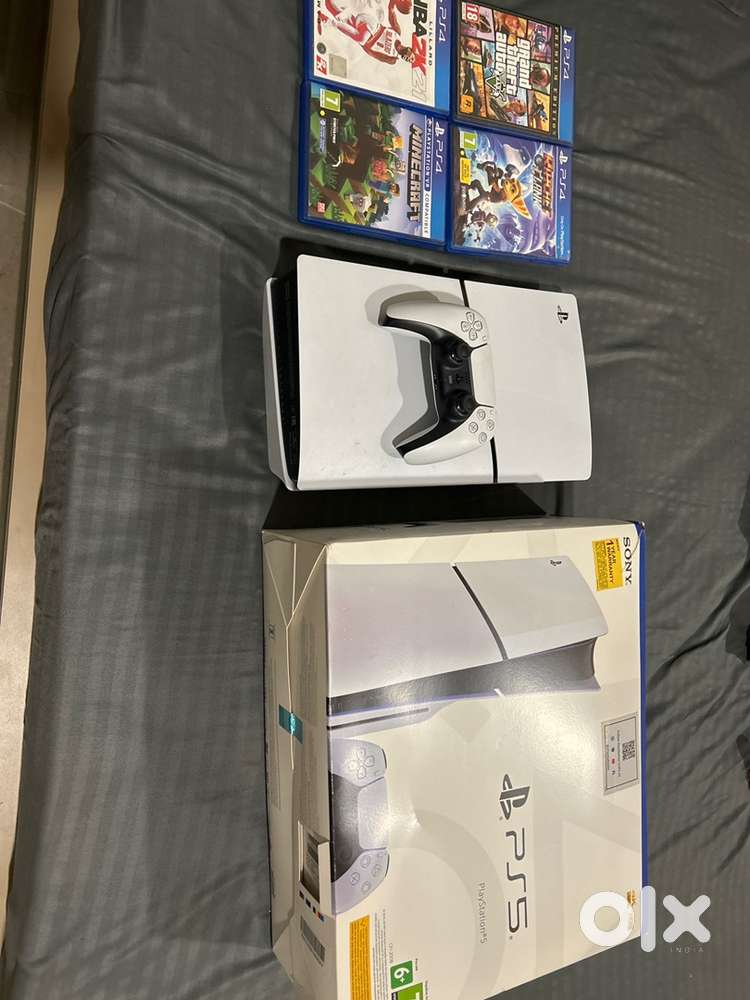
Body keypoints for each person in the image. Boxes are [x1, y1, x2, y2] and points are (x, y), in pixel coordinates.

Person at [324, 0, 416, 65]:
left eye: (409, 61)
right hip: (372, 25)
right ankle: (333, 23)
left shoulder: (392, 59)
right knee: (361, 39)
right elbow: (391, 10)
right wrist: (395, 2)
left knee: (333, 9)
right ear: (410, 49)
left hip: (363, 36)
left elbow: (373, 54)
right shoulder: (397, 32)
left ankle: (335, 16)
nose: (409, 60)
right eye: (412, 58)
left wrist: (363, 45)